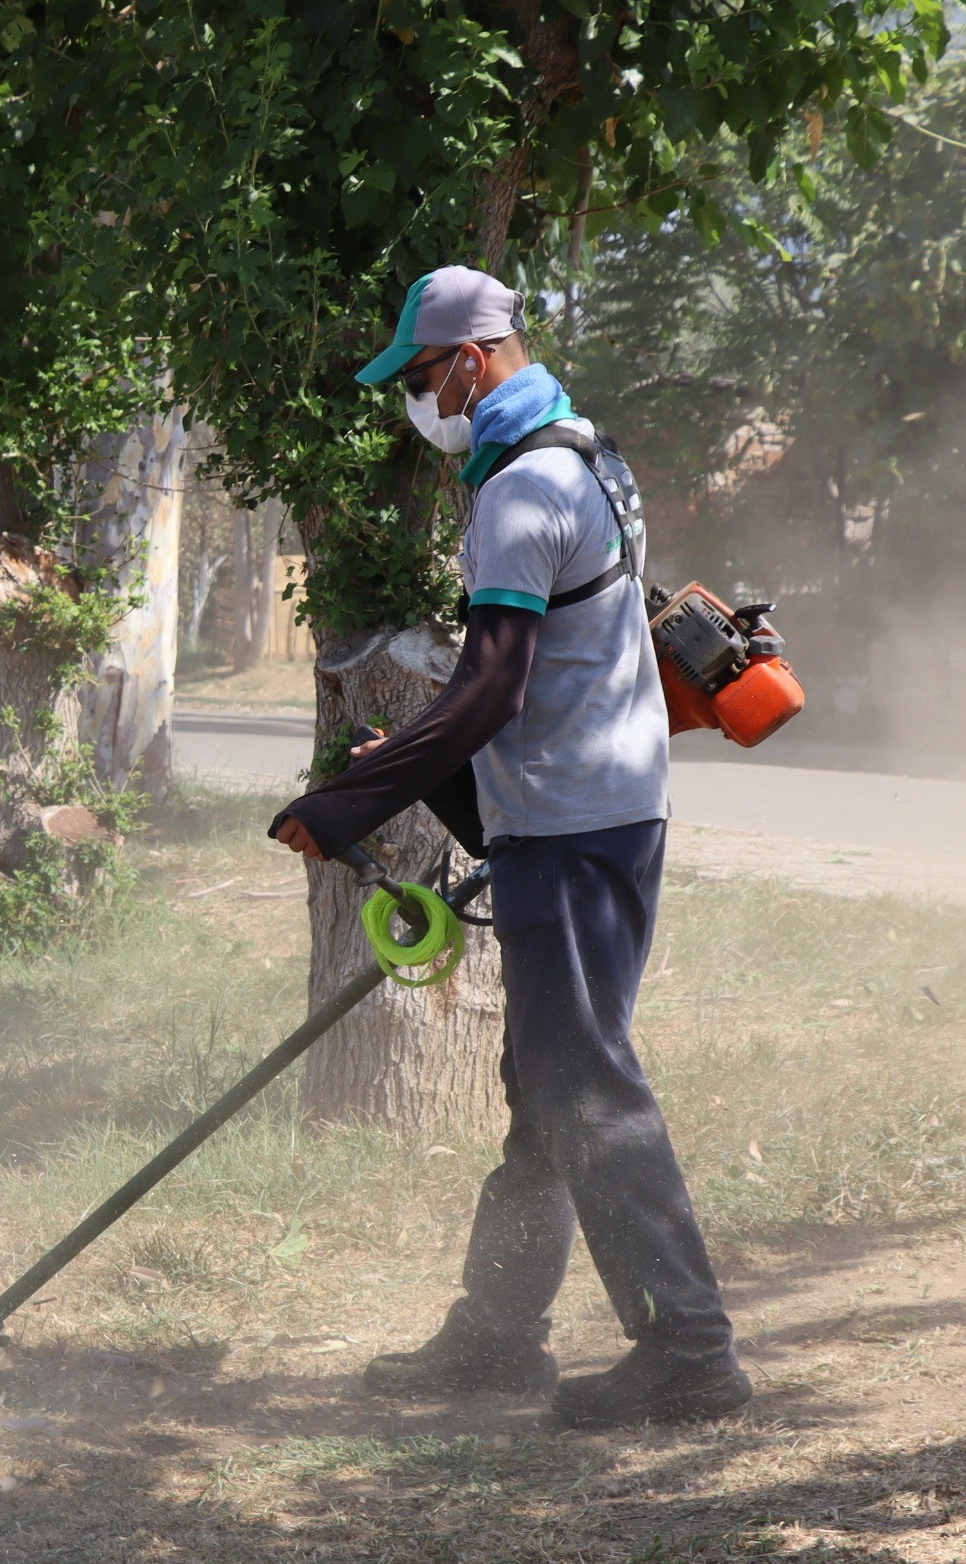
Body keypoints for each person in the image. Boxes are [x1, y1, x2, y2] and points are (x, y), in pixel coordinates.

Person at [268, 265, 749, 1429]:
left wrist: (344, 802)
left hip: (576, 826)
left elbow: (486, 691)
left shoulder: (522, 488)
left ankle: (689, 1346)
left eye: (423, 377)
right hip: (600, 808)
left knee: (583, 1082)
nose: (420, 402)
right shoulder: (591, 459)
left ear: (473, 360)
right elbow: (537, 677)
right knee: (544, 1084)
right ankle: (495, 1334)